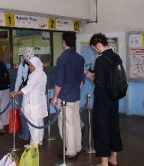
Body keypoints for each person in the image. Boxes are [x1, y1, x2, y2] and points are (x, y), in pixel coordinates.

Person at [86, 33, 123, 166]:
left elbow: (99, 83)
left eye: (94, 48)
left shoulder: (101, 60)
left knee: (101, 127)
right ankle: (113, 158)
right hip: (114, 97)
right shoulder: (116, 57)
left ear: (99, 45)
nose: (95, 51)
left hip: (103, 99)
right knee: (113, 126)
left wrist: (91, 77)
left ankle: (103, 162)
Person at [51, 31, 85, 160]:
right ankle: (77, 147)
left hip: (65, 98)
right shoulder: (80, 58)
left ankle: (70, 151)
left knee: (66, 125)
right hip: (76, 97)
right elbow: (81, 81)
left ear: (64, 42)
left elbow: (59, 82)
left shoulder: (62, 58)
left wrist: (55, 97)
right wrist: (75, 90)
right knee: (76, 122)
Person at [10, 56, 48, 148]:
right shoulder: (43, 73)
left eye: (31, 65)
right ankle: (39, 140)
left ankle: (33, 144)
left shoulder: (34, 75)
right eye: (29, 65)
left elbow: (27, 89)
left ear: (35, 65)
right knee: (39, 121)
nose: (29, 67)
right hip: (39, 101)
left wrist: (15, 93)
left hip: (32, 103)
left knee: (33, 123)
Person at [14, 47, 35, 141]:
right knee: (34, 113)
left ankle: (26, 135)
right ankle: (35, 136)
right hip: (34, 90)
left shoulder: (22, 65)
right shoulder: (36, 64)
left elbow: (19, 79)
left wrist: (15, 92)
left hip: (24, 90)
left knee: (24, 112)